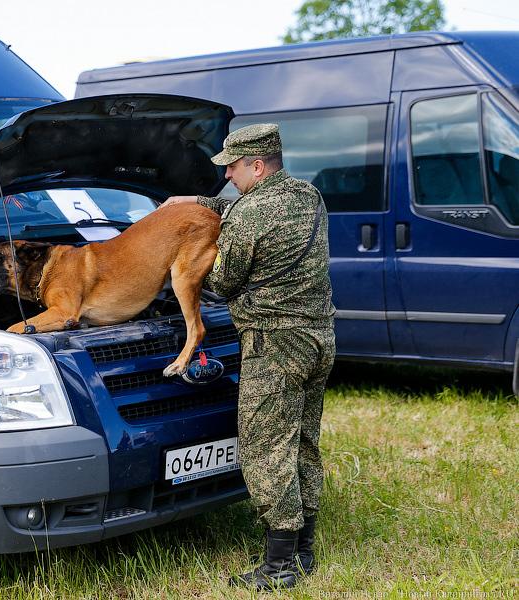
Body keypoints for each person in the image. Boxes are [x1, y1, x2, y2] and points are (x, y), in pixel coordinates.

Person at [162, 123, 336, 590]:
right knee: (301, 441)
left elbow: (220, 281)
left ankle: (279, 563)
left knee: (265, 448)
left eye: (233, 170)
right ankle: (303, 551)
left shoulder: (248, 217)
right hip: (318, 338)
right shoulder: (307, 196)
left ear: (256, 165)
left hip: (274, 345)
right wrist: (198, 204)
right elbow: (247, 210)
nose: (228, 179)